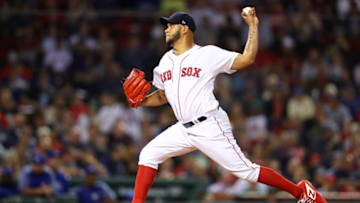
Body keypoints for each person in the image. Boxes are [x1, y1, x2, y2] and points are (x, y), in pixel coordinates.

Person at [127, 10, 326, 203]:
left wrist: (252, 26)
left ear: (185, 28)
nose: (166, 29)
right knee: (148, 154)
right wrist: (141, 101)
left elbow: (246, 59)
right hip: (183, 128)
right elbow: (162, 96)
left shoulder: (207, 54)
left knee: (246, 171)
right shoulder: (164, 61)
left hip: (209, 124)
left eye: (170, 25)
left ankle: (301, 192)